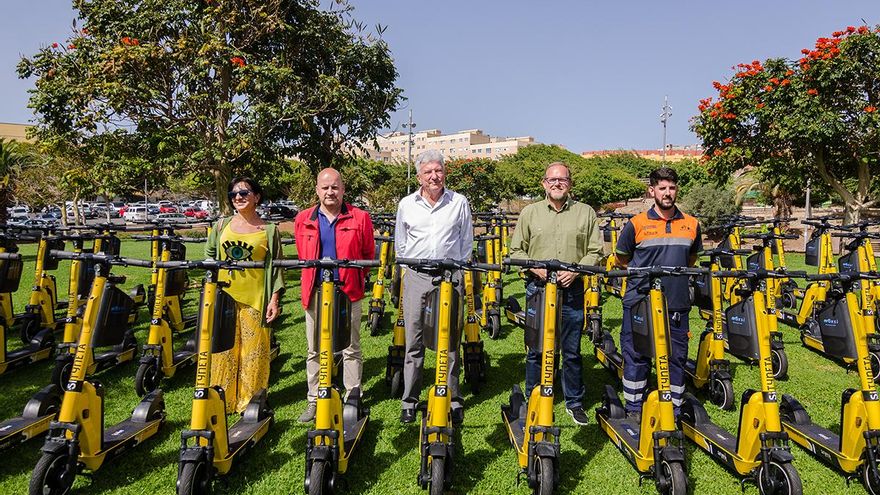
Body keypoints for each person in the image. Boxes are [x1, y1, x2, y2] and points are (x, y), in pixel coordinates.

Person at [508, 162, 603, 426]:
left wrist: (576, 271)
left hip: (571, 290)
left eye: (562, 180)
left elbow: (596, 251)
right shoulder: (530, 213)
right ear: (544, 184)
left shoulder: (585, 213)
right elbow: (516, 251)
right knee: (536, 349)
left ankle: (574, 402)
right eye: (552, 180)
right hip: (538, 290)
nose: (557, 184)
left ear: (570, 184)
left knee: (571, 350)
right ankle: (533, 397)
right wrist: (535, 268)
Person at [615, 166, 702, 416]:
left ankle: (673, 407)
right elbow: (622, 258)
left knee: (676, 358)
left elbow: (691, 258)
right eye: (662, 188)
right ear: (652, 191)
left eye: (672, 188)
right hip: (639, 301)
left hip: (676, 303)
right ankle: (633, 407)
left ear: (677, 190)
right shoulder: (636, 224)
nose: (667, 193)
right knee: (636, 355)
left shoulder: (692, 224)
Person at [395, 149, 473, 425]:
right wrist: (410, 272)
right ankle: (410, 400)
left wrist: (457, 270)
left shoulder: (459, 202)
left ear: (445, 173)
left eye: (438, 170)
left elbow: (466, 242)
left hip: (450, 277)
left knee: (450, 341)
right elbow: (400, 244)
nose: (434, 176)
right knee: (414, 342)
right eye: (428, 172)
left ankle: (452, 398)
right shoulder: (407, 204)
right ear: (419, 176)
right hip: (416, 276)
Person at [293, 168, 375, 423]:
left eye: (335, 187)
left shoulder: (359, 217)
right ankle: (314, 400)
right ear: (317, 190)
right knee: (315, 348)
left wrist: (354, 276)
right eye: (325, 187)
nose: (330, 192)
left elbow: (367, 255)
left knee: (350, 347)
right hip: (315, 291)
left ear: (343, 189)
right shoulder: (304, 219)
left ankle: (353, 395)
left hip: (347, 291)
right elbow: (301, 255)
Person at [205, 177, 284, 413]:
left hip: (256, 298)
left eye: (244, 192)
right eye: (233, 194)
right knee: (223, 350)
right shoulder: (221, 226)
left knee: (254, 352)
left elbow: (277, 266)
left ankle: (250, 402)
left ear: (257, 196)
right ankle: (222, 399)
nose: (238, 197)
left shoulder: (269, 231)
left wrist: (274, 299)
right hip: (225, 297)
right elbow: (210, 255)